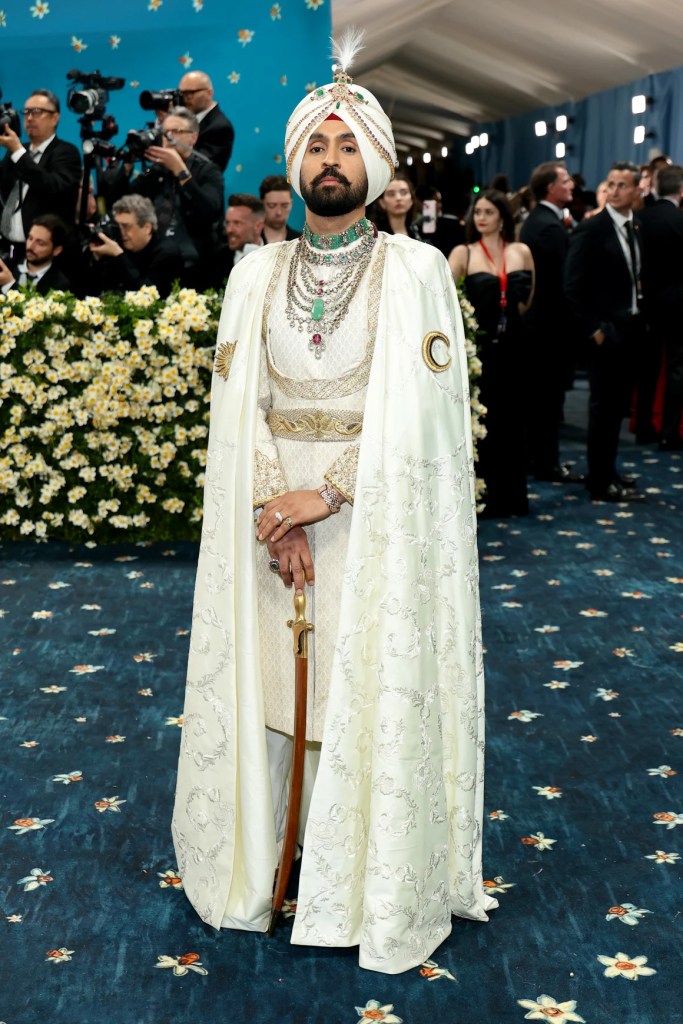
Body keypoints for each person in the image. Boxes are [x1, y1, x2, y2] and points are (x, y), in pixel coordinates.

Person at [172, 35, 496, 975]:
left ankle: (360, 873)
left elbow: (423, 417)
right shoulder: (252, 273)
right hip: (272, 521)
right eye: (316, 145)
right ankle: (277, 858)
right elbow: (238, 407)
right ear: (293, 160)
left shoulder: (416, 271)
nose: (329, 160)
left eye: (347, 146)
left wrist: (327, 494)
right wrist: (274, 512)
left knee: (362, 680)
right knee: (275, 685)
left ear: (378, 164)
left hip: (374, 517)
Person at [448, 189, 534, 516]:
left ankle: (513, 495)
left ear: (502, 217)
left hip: (514, 348)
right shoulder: (463, 253)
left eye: (488, 212)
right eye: (478, 212)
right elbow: (445, 301)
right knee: (483, 421)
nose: (481, 218)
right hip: (479, 355)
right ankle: (483, 497)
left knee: (513, 420)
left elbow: (526, 302)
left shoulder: (521, 251)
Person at [565, 161, 646, 501]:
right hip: (605, 334)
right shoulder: (592, 228)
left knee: (616, 411)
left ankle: (609, 472)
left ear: (637, 190)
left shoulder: (635, 225)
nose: (614, 190)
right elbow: (572, 287)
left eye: (622, 185)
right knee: (603, 411)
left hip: (630, 331)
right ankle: (599, 482)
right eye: (610, 184)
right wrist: (595, 330)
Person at [102, 107, 224, 289]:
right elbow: (118, 204)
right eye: (165, 132)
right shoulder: (156, 171)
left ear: (193, 138)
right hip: (157, 259)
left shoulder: (208, 170)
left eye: (177, 131)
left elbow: (210, 210)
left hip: (195, 262)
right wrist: (127, 166)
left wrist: (180, 171)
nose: (170, 137)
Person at [520, 162, 584, 483]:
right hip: (550, 328)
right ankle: (547, 463)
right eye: (566, 180)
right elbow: (561, 284)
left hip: (540, 326)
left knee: (541, 400)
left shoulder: (539, 220)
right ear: (550, 188)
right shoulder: (549, 227)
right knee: (547, 400)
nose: (572, 185)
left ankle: (540, 459)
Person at [0, 89, 81, 260]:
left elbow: (51, 185)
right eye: (26, 112)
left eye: (37, 112)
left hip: (49, 256)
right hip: (10, 251)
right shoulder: (17, 151)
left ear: (55, 117)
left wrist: (18, 152)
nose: (29, 118)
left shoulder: (66, 153)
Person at [638, 163, 683, 450]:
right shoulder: (680, 220)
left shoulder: (641, 218)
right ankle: (669, 430)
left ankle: (644, 427)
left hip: (646, 302)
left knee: (647, 366)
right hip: (678, 303)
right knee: (677, 367)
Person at [88, 194, 183, 298]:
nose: (121, 232)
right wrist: (97, 259)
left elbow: (149, 295)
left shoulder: (167, 252)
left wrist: (119, 256)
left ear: (147, 228)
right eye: (117, 227)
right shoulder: (120, 246)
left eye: (126, 226)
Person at [178, 70, 235, 171]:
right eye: (182, 94)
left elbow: (201, 167)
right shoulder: (182, 120)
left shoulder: (220, 127)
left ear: (209, 93)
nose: (185, 99)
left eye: (191, 93)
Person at [0, 213, 71, 294]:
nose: (30, 246)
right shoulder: (7, 267)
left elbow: (33, 302)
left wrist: (9, 284)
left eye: (40, 243)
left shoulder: (60, 284)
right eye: (30, 238)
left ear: (56, 250)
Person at [259, 175, 300, 243]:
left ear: (291, 204)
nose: (279, 212)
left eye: (285, 205)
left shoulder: (301, 242)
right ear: (261, 205)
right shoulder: (247, 241)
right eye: (272, 206)